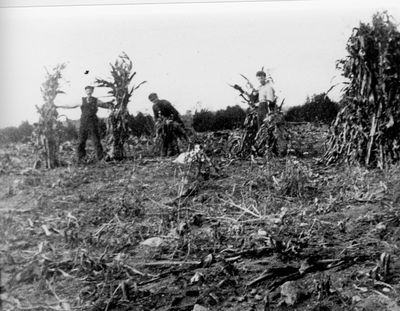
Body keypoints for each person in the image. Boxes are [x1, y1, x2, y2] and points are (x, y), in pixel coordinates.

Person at [55, 85, 114, 162]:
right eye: (87, 90)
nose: (88, 91)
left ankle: (101, 158)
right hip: (83, 122)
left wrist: (112, 105)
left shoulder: (96, 100)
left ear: (92, 91)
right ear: (85, 91)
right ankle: (81, 158)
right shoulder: (82, 100)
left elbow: (105, 105)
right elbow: (72, 105)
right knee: (81, 141)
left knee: (96, 140)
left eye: (90, 90)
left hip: (93, 122)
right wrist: (60, 106)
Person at [148, 93, 187, 157]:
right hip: (164, 123)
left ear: (157, 97)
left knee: (176, 133)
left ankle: (178, 150)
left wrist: (171, 120)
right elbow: (156, 116)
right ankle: (166, 152)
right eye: (152, 100)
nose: (154, 101)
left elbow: (175, 112)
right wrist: (157, 122)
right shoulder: (154, 106)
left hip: (174, 120)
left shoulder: (164, 103)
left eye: (154, 99)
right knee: (164, 135)